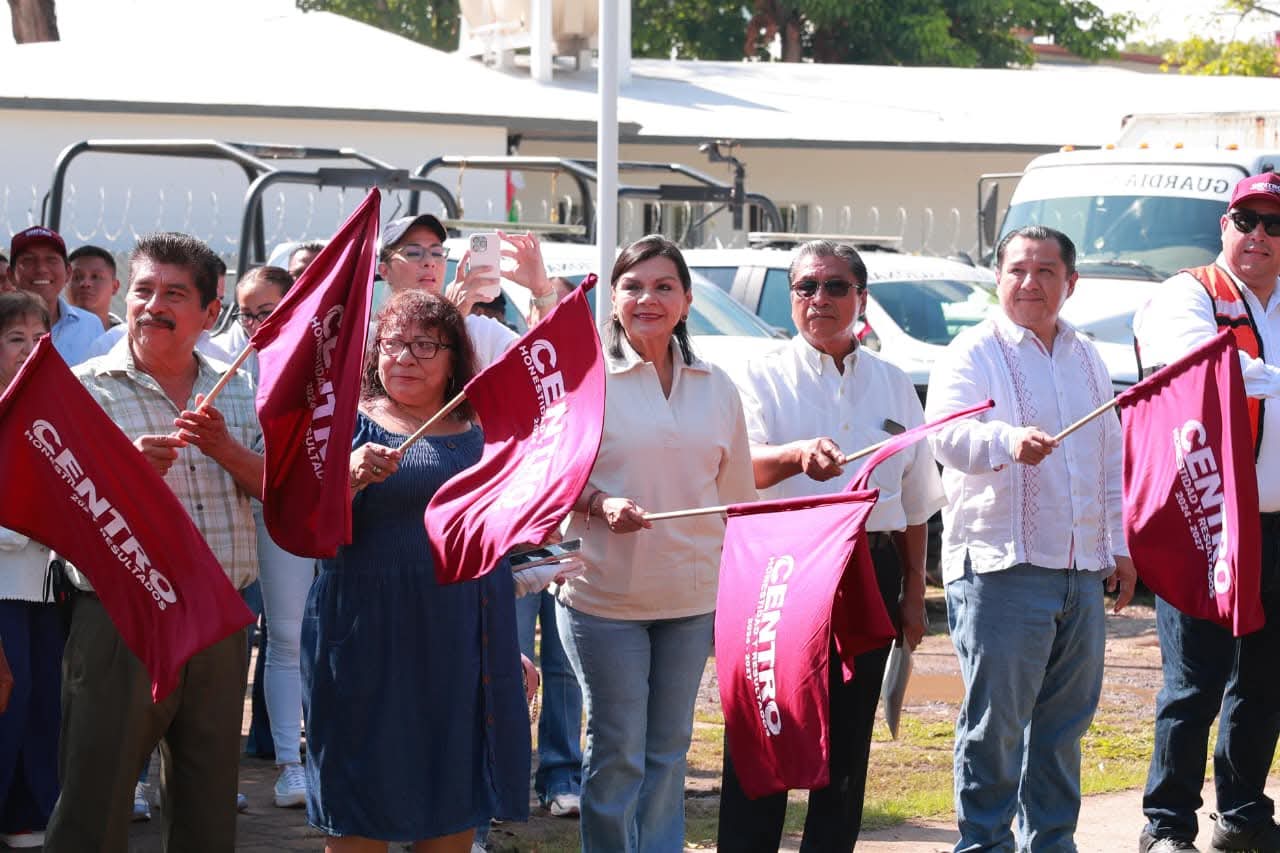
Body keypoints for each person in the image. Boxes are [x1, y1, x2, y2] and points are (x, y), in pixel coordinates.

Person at [716, 239, 946, 852]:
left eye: (836, 287)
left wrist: (914, 597)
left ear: (861, 298)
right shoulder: (757, 374)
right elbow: (741, 471)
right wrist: (796, 456)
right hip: (782, 570)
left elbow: (917, 501)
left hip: (868, 570)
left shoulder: (895, 383)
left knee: (846, 747)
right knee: (767, 729)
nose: (820, 299)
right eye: (805, 287)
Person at [44, 232, 263, 853]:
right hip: (123, 619)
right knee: (96, 798)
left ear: (210, 310)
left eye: (174, 293)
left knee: (208, 804)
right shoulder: (80, 389)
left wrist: (225, 448)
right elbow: (52, 513)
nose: (153, 306)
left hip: (220, 617)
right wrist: (121, 476)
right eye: (143, 290)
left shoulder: (239, 387)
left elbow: (276, 489)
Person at [925, 224, 1136, 852]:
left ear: (1070, 284)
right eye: (1018, 269)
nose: (1030, 282)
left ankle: (1052, 844)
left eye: (1046, 271)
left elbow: (1108, 460)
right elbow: (945, 437)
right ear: (997, 277)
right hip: (1001, 568)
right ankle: (985, 844)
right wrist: (1005, 441)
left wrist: (1117, 545)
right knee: (996, 727)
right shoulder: (971, 351)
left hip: (1078, 568)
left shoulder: (1087, 356)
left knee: (1063, 727)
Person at [302, 289, 530, 852]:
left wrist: (504, 648)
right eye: (393, 343)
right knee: (360, 799)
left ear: (455, 359)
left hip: (458, 636)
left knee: (450, 795)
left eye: (425, 345)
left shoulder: (484, 430)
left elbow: (493, 539)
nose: (405, 357)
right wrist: (349, 477)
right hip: (363, 635)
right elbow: (303, 523)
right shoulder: (341, 424)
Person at [554, 235, 756, 851]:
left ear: (688, 300)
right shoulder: (584, 380)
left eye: (664, 286)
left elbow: (737, 497)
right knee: (617, 754)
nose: (648, 298)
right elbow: (549, 483)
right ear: (612, 299)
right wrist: (599, 503)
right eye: (633, 286)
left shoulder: (716, 385)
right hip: (604, 598)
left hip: (691, 601)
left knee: (669, 752)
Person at [1132, 172, 1280, 853]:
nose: (1259, 235)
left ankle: (1244, 814)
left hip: (1276, 522)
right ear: (1224, 226)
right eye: (1247, 219)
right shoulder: (1188, 293)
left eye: (1275, 224)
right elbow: (1205, 367)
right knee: (1194, 681)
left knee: (1264, 678)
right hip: (1208, 517)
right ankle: (1167, 826)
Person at [220, 265, 311, 808]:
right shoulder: (222, 362)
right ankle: (282, 765)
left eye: (266, 310)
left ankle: (299, 763)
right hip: (243, 513)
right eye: (246, 311)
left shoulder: (319, 361)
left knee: (295, 638)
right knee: (254, 641)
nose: (254, 322)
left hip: (300, 516)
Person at [0, 292, 60, 850]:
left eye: (39, 339)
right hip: (3, 590)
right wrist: (27, 527)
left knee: (42, 704)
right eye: (16, 339)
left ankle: (26, 812)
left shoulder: (54, 414)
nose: (28, 350)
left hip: (45, 591)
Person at [377, 215, 558, 366]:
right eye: (414, 252)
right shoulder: (371, 338)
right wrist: (451, 316)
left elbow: (539, 368)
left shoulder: (479, 330)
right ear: (385, 271)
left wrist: (542, 291)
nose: (429, 261)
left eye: (437, 252)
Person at [8, 226, 101, 364]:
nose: (41, 269)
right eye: (28, 260)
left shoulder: (90, 325)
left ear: (68, 272)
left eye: (51, 259)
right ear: (11, 275)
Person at [68, 244, 122, 330]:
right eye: (77, 277)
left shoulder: (128, 339)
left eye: (95, 277)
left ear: (115, 287)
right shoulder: (47, 335)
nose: (85, 283)